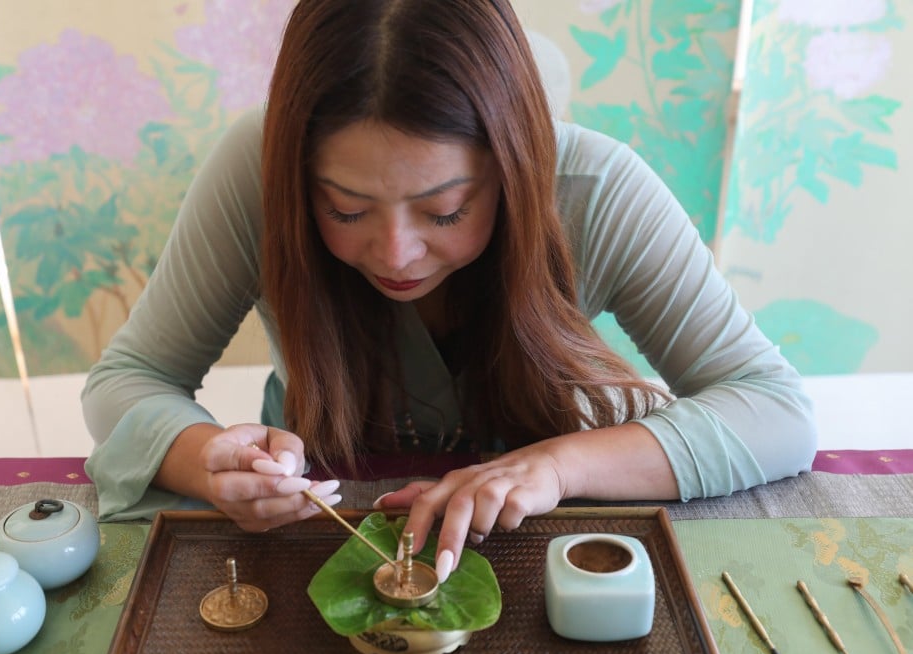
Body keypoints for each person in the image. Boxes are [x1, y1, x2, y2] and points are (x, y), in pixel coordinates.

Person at [82, 0, 816, 584]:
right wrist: (209, 461)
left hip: (529, 544)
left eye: (445, 211)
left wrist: (558, 465)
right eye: (345, 210)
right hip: (309, 534)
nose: (396, 255)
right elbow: (130, 379)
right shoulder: (256, 171)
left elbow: (774, 409)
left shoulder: (596, 190)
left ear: (512, 164)